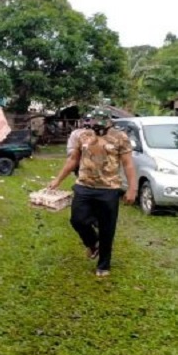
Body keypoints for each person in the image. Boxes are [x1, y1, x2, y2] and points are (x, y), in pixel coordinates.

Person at [48, 108, 137, 277]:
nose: (96, 125)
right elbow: (73, 159)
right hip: (84, 186)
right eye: (93, 121)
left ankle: (104, 264)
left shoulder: (121, 137)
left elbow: (128, 164)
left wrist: (132, 188)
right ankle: (93, 243)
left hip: (109, 189)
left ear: (108, 122)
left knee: (107, 228)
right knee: (77, 220)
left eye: (99, 122)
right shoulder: (83, 136)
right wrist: (58, 179)